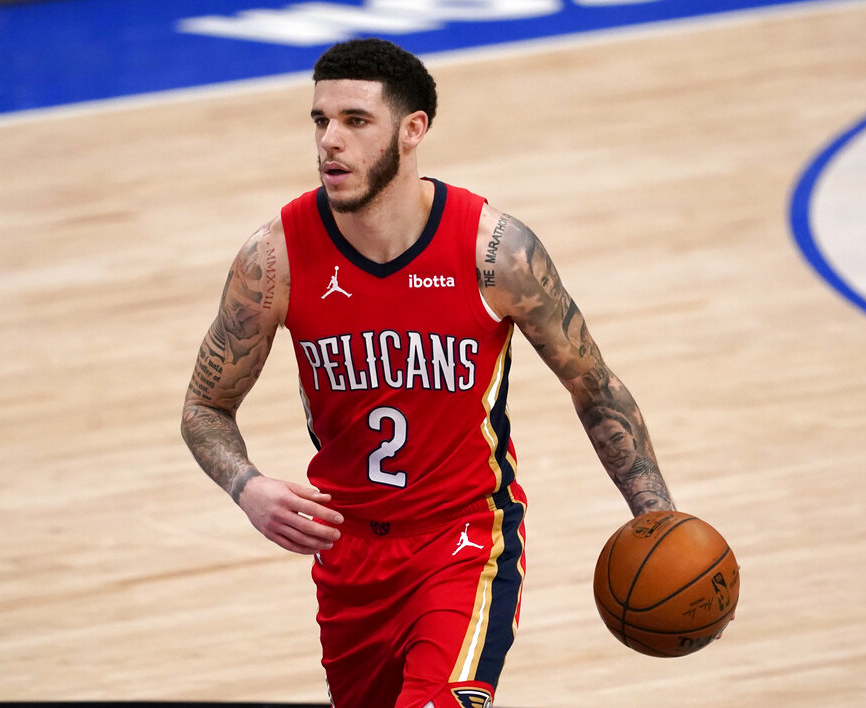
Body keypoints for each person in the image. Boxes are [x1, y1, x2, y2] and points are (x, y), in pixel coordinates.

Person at [181, 37, 675, 708]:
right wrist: (248, 487)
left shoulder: (495, 252)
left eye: (355, 121)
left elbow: (593, 384)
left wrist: (658, 518)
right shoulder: (274, 259)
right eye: (320, 121)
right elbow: (205, 408)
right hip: (347, 557)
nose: (330, 140)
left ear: (413, 131)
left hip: (465, 540)